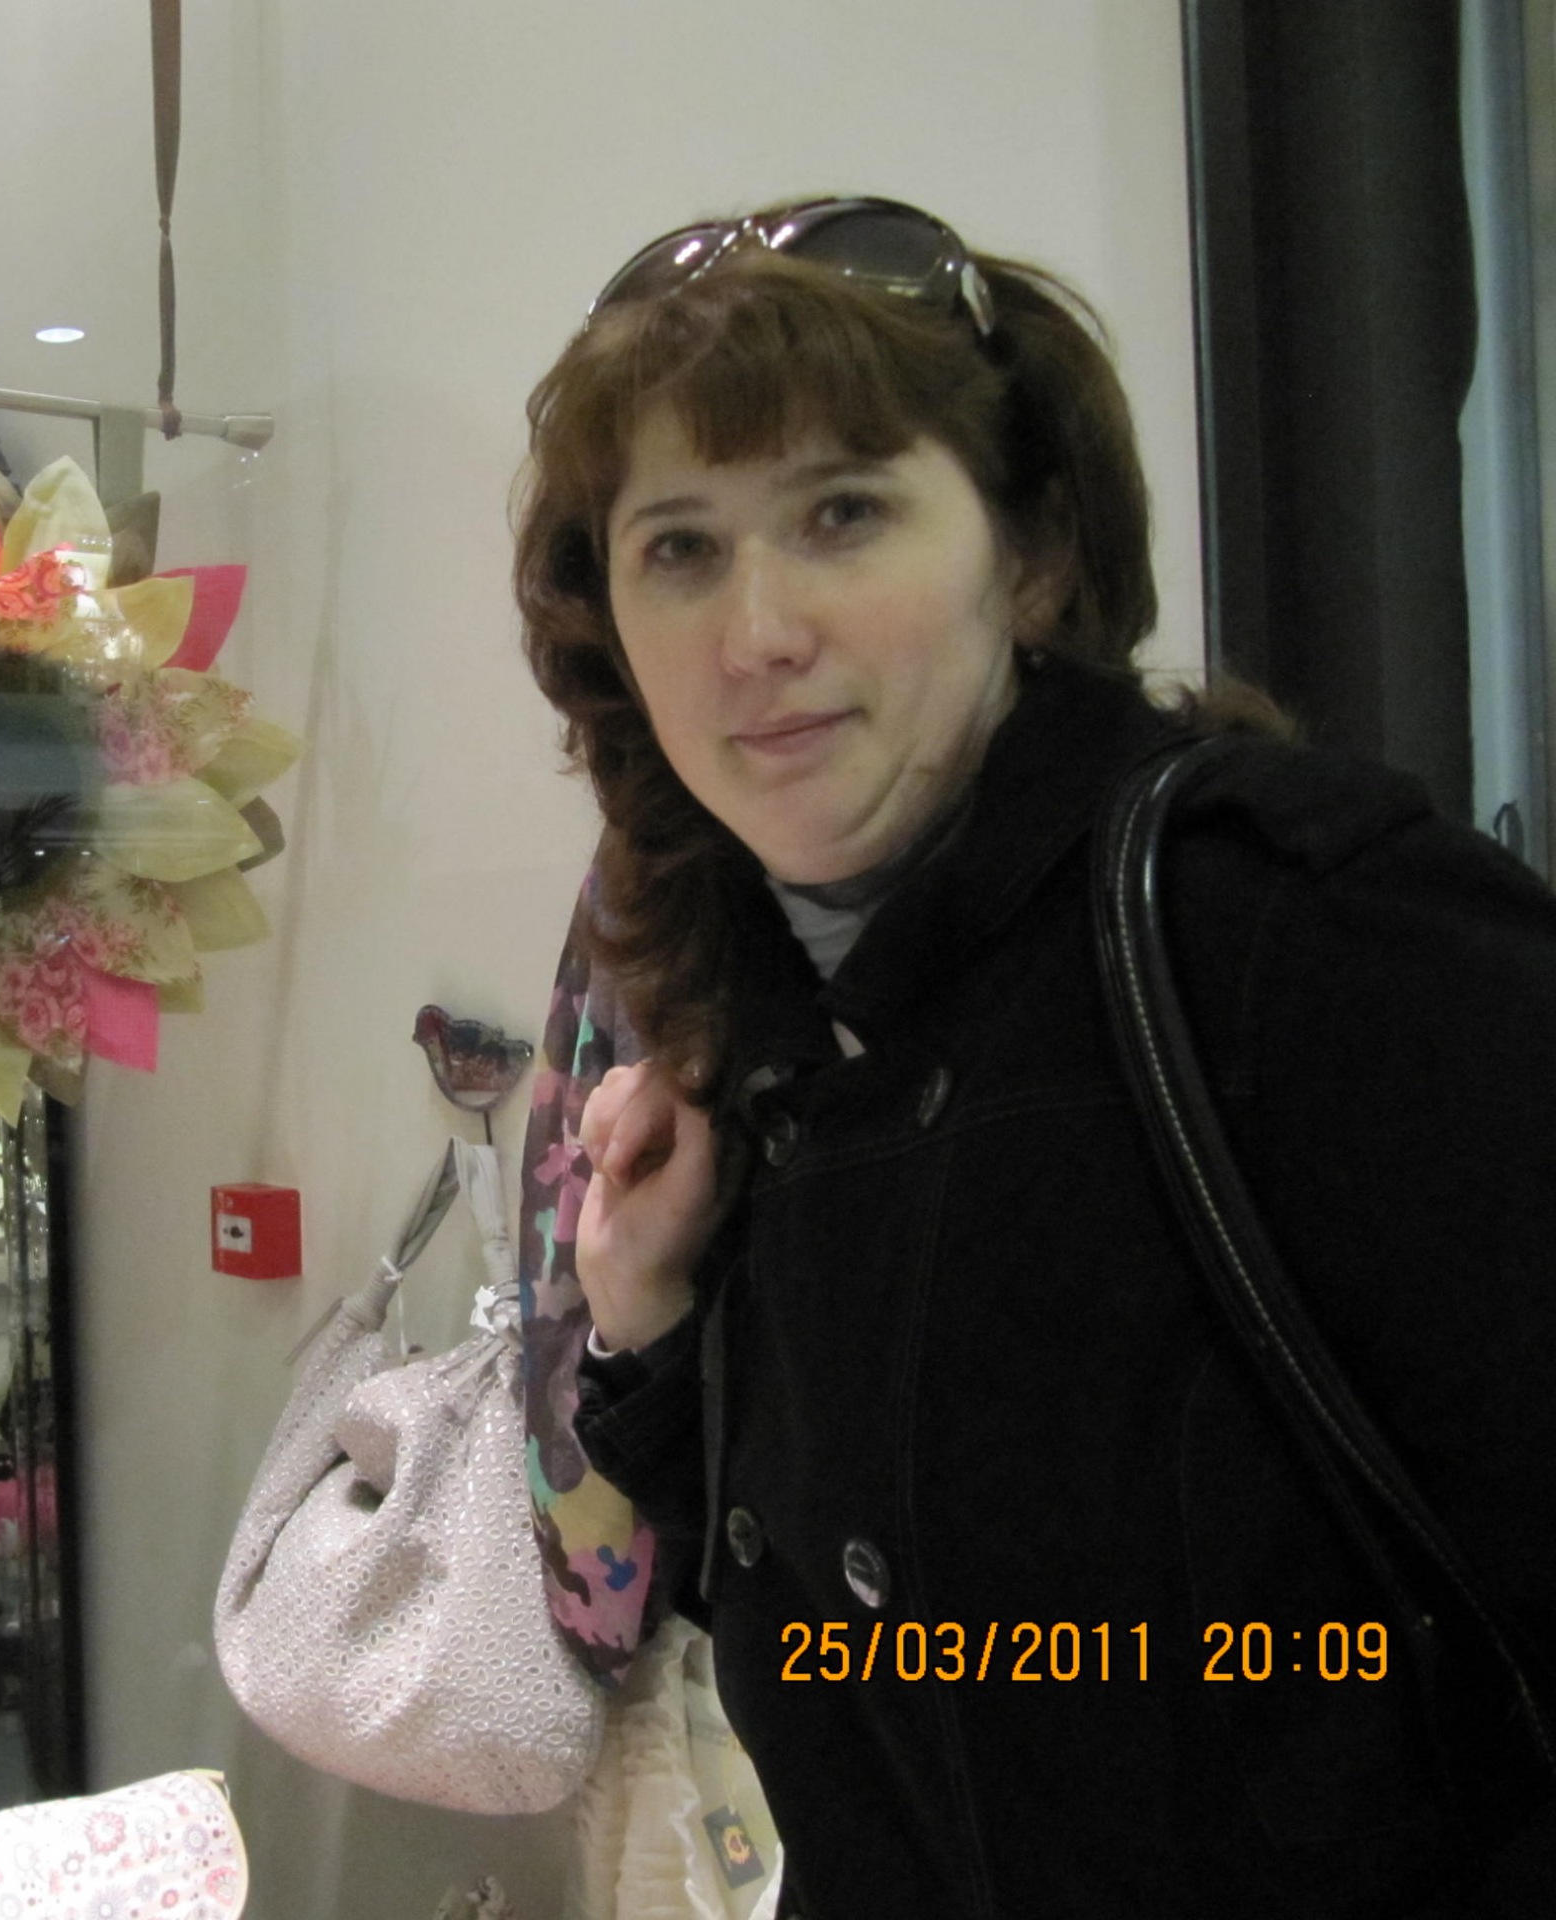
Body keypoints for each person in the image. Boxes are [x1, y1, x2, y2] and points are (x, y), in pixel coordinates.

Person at [510, 196, 1556, 1916]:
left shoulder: (1290, 937)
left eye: (843, 512)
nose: (755, 633)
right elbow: (880, 1649)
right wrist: (655, 1320)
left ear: (1037, 554)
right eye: (679, 548)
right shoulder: (758, 1036)